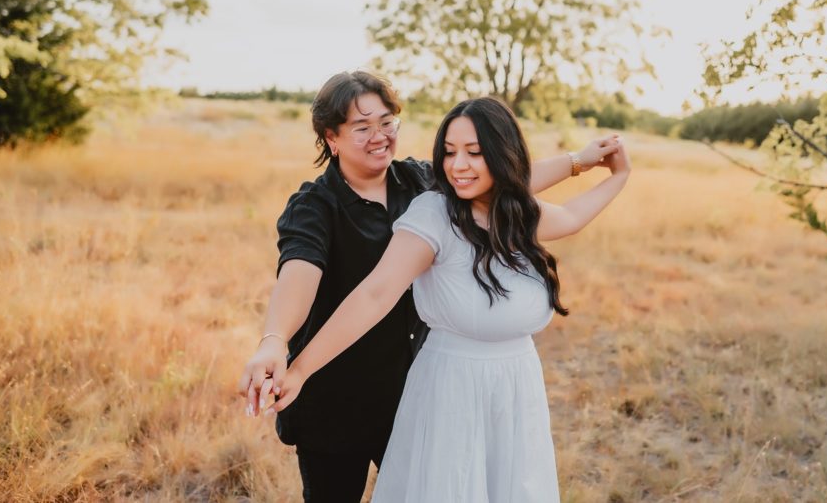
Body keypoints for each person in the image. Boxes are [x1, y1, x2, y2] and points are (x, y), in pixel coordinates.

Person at [238, 72, 621, 502]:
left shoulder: (420, 182)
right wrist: (274, 340)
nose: (379, 136)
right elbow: (301, 272)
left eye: (387, 123)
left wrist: (578, 161)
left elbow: (495, 181)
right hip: (335, 395)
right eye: (362, 128)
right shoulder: (315, 205)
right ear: (332, 137)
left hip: (416, 392)